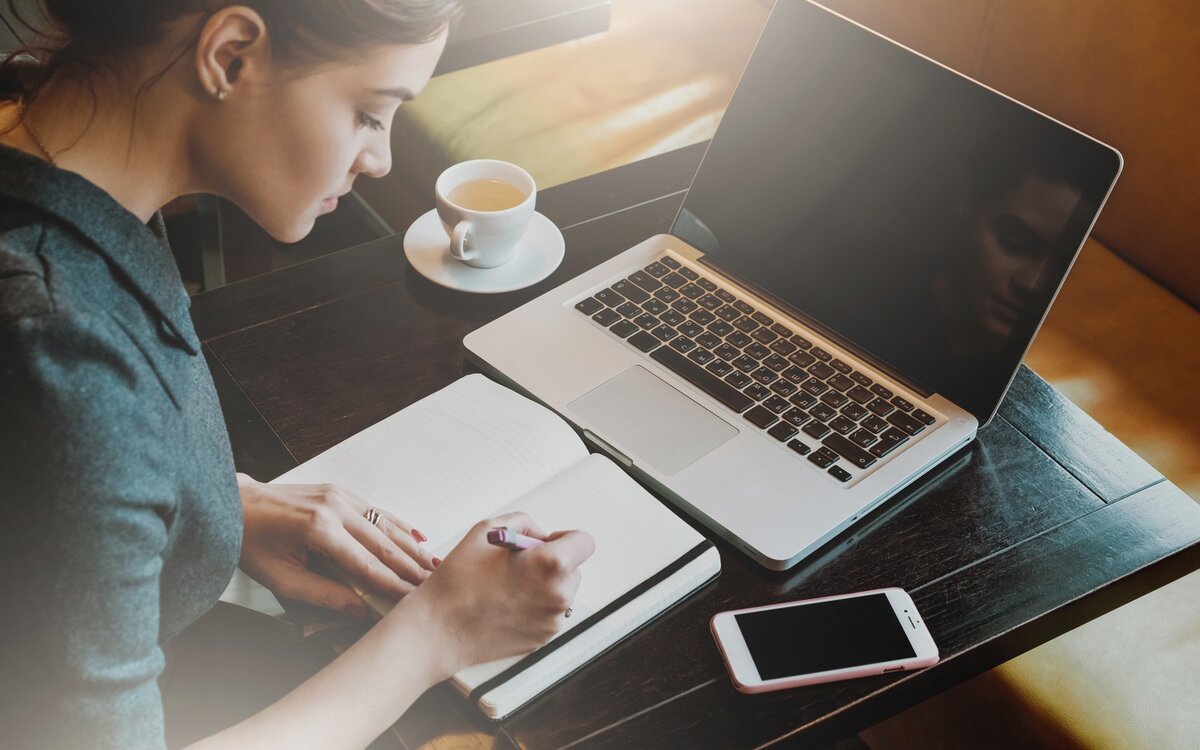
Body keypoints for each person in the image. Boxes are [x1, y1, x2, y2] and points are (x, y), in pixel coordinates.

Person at [0, 2, 595, 748]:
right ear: (233, 56)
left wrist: (202, 503)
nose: (379, 158)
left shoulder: (50, 159)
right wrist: (436, 633)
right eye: (370, 113)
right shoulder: (58, 348)